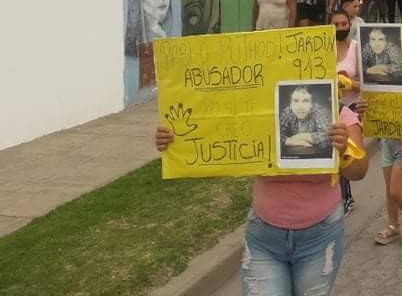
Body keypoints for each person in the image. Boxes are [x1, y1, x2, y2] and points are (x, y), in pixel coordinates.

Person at [154, 103, 368, 295]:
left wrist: (343, 150)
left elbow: (359, 171)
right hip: (264, 239)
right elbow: (215, 140)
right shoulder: (258, 109)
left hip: (320, 240)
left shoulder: (340, 114)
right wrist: (176, 141)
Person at [279, 86, 334, 159]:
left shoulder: (318, 111)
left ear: (311, 104)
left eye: (306, 101)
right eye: (295, 101)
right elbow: (274, 135)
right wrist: (291, 141)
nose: (300, 107)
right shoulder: (288, 112)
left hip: (316, 157)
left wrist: (301, 136)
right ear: (290, 104)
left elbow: (329, 137)